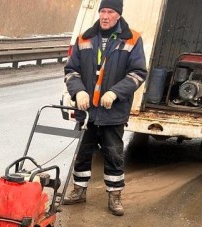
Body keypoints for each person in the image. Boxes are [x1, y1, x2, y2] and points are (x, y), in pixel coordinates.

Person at [61, 0, 147, 216]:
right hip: (88, 111)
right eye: (102, 11)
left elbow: (137, 73)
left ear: (118, 15)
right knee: (83, 152)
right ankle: (79, 191)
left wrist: (115, 92)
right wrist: (78, 91)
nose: (105, 16)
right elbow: (71, 70)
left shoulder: (132, 39)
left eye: (110, 11)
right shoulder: (85, 38)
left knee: (113, 154)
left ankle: (115, 195)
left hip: (113, 111)